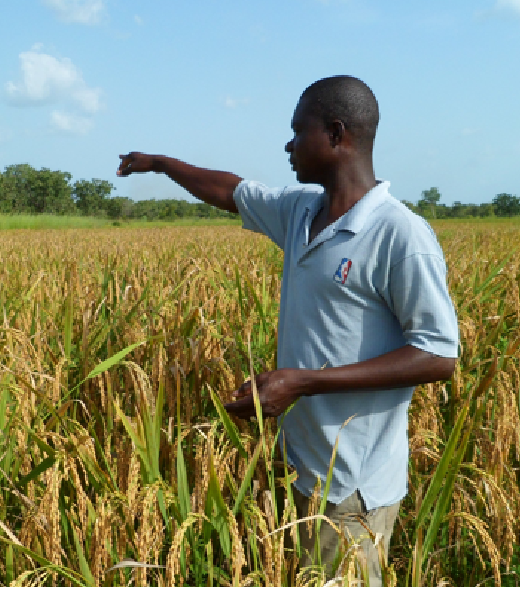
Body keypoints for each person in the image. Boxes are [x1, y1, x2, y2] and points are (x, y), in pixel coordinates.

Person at [116, 75, 459, 585]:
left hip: (351, 486)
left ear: (337, 134)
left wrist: (302, 382)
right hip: (300, 461)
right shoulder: (301, 211)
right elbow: (230, 190)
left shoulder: (398, 233)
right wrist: (162, 164)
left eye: (298, 132)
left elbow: (437, 356)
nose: (288, 144)